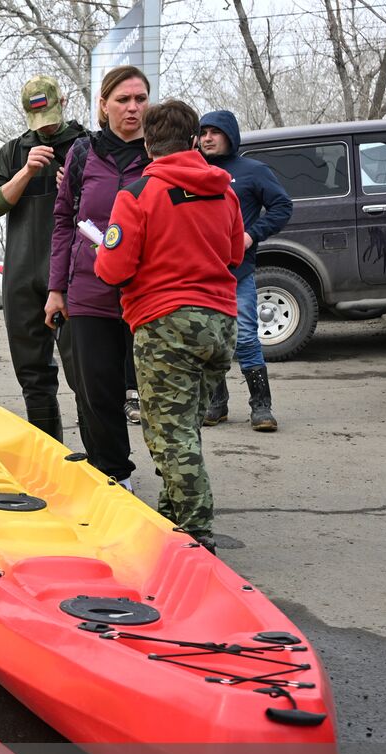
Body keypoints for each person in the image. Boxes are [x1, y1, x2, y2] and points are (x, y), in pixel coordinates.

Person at [94, 99, 243, 551]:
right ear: (195, 140)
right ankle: (173, 514)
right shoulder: (225, 191)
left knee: (168, 432)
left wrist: (104, 250)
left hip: (166, 324)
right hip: (220, 324)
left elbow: (114, 269)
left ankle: (196, 534)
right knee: (185, 426)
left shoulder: (138, 195)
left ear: (148, 144)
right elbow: (235, 255)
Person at [46, 65, 151, 489]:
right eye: (123, 99)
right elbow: (64, 222)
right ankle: (114, 474)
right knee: (97, 392)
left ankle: (178, 482)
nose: (133, 108)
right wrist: (56, 289)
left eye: (140, 99)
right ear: (102, 105)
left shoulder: (162, 152)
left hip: (149, 293)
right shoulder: (82, 154)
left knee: (159, 393)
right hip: (89, 292)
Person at [0, 75, 87, 442]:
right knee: (32, 372)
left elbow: (109, 204)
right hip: (23, 276)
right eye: (39, 120)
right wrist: (26, 172)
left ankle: (101, 462)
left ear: (65, 101)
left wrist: (74, 186)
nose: (47, 127)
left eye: (52, 117)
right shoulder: (13, 151)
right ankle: (51, 453)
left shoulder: (86, 144)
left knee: (84, 372)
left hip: (74, 274)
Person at [199, 109, 292, 432]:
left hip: (238, 274)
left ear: (230, 136)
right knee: (208, 341)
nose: (207, 138)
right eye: (203, 132)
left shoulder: (252, 171)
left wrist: (252, 234)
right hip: (199, 276)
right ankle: (217, 403)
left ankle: (261, 407)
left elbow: (282, 206)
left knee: (247, 340)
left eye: (215, 132)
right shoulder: (193, 170)